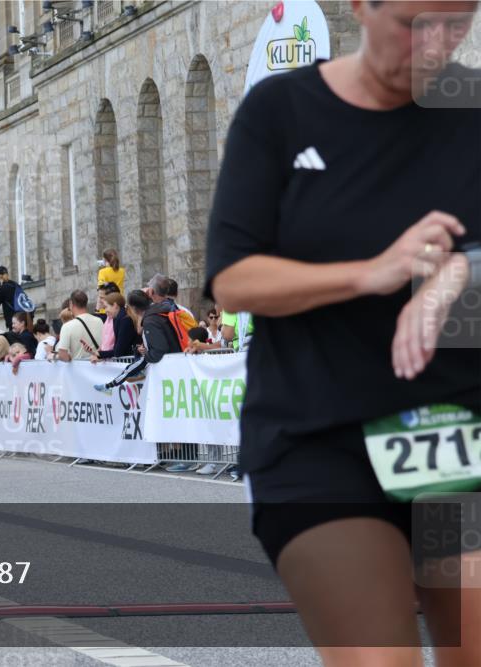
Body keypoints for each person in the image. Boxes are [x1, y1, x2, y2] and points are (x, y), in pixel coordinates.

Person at [206, 2, 481, 662]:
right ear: (361, 6)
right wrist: (370, 273)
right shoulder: (281, 111)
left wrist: (450, 277)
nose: (436, 43)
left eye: (459, 20)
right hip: (318, 440)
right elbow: (233, 279)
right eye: (415, 22)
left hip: (454, 431)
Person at [93, 290, 182, 394]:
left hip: (160, 362)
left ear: (133, 307)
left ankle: (109, 386)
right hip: (166, 362)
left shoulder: (149, 320)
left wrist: (147, 355)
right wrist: (139, 349)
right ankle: (109, 386)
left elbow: (160, 347)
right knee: (129, 370)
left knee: (129, 370)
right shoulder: (153, 315)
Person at [55, 290, 103, 362]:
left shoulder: (67, 326)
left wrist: (56, 356)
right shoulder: (99, 321)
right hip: (99, 367)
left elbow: (62, 355)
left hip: (79, 370)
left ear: (71, 304)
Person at [89, 293, 138, 360]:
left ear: (115, 305)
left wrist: (99, 354)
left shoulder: (125, 320)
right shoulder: (119, 319)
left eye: (106, 307)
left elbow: (118, 351)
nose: (105, 311)